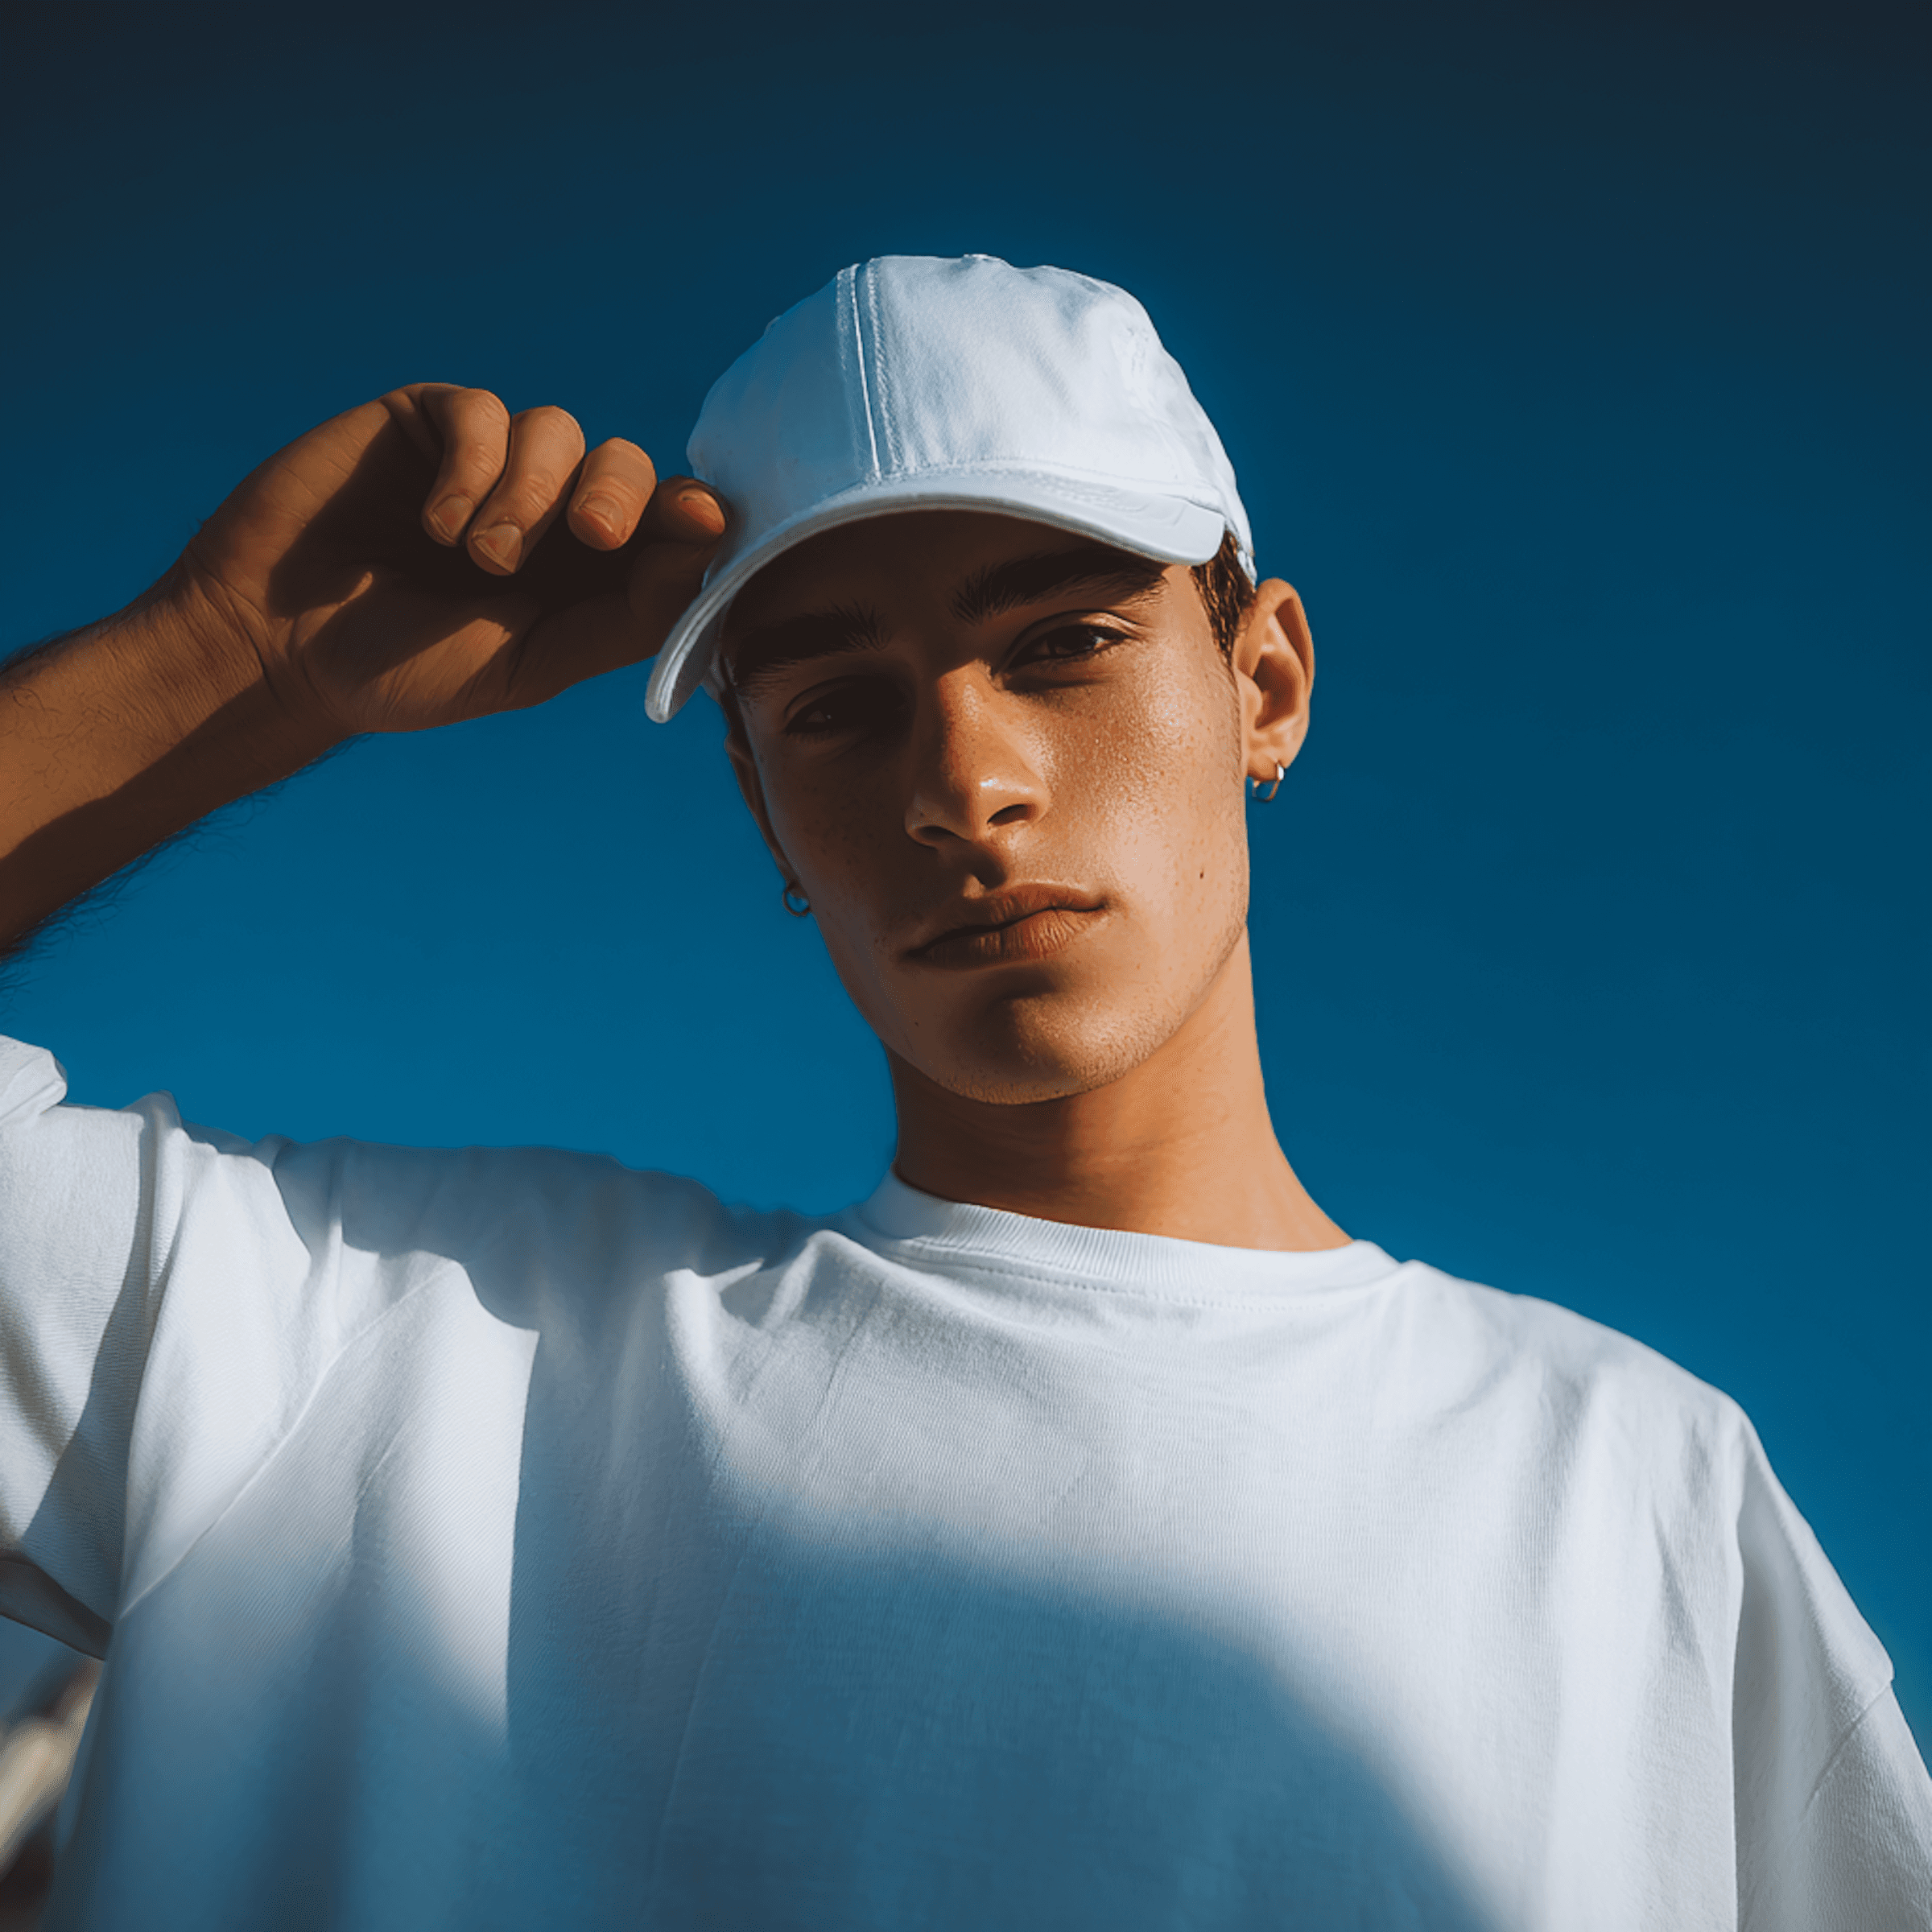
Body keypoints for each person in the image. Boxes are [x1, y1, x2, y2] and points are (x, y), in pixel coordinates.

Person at [0, 254, 1925, 1930]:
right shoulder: (359, 1356)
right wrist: (215, 664)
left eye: (1062, 644)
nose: (964, 784)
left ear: (1264, 684)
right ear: (765, 806)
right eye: (835, 707)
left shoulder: (1642, 1503)